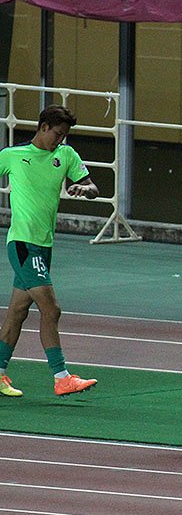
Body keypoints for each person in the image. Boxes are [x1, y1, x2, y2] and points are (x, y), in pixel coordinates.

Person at [0, 105, 98, 397]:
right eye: (57, 134)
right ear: (43, 127)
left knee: (18, 312)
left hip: (44, 246)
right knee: (51, 309)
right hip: (23, 244)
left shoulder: (66, 155)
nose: (60, 140)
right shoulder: (13, 155)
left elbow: (92, 187)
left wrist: (86, 190)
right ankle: (61, 377)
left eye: (64, 135)